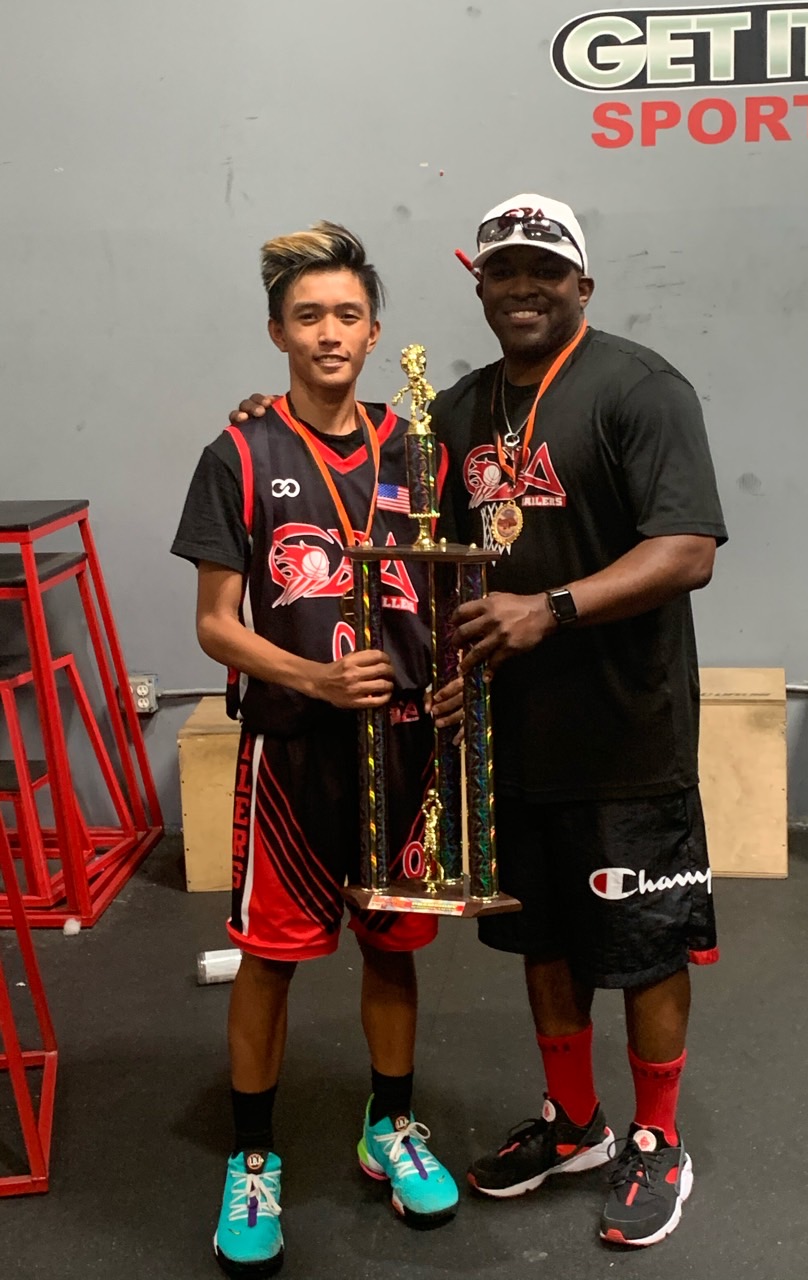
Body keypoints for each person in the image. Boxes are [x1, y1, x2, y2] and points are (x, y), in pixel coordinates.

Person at [228, 193, 727, 1249]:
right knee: (541, 938)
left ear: (583, 283)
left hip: (625, 730)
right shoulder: (455, 412)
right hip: (504, 736)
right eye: (504, 271)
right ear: (481, 287)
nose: (524, 287)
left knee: (643, 945)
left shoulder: (641, 387)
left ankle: (658, 1138)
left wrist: (552, 608)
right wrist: (265, 417)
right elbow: (406, 521)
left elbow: (687, 550)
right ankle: (574, 1121)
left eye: (545, 269)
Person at [171, 221, 460, 1278]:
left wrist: (455, 670)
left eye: (347, 314)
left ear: (375, 332)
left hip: (405, 750)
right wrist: (313, 678)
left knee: (393, 946)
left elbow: (450, 580)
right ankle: (252, 1158)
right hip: (293, 752)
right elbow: (215, 624)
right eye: (308, 316)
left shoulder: (420, 447)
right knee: (271, 956)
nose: (329, 333)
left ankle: (391, 1125)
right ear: (277, 333)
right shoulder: (240, 453)